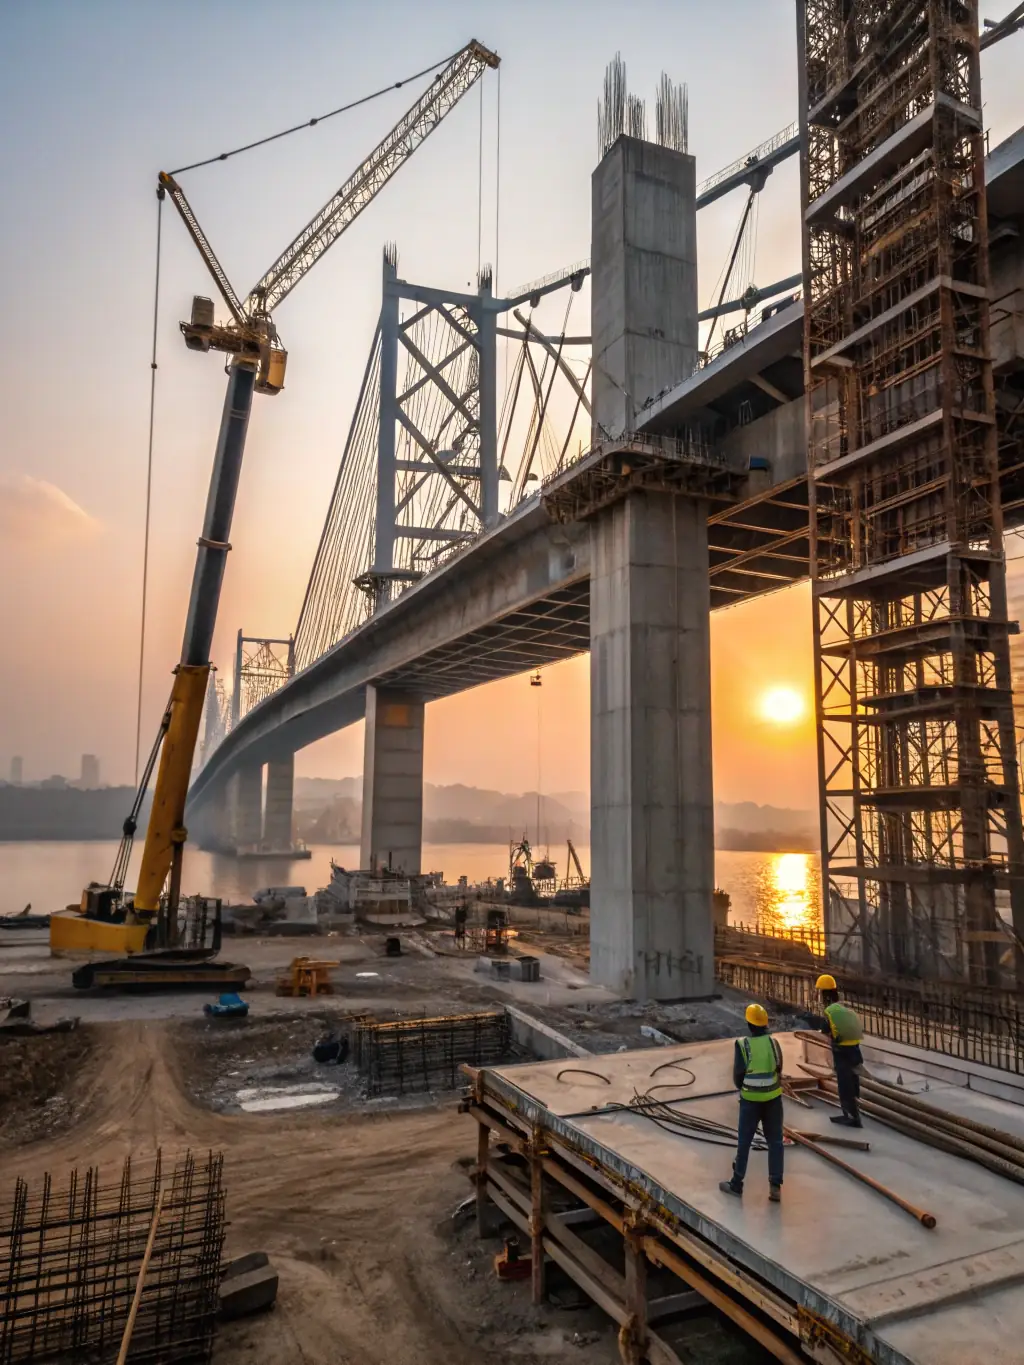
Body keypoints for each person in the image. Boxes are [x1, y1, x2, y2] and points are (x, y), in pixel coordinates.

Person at [719, 1003, 784, 1204]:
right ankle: (775, 1187)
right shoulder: (774, 1043)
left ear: (749, 1024)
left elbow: (738, 1074)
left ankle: (737, 1184)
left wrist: (746, 1088)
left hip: (751, 1101)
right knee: (775, 1141)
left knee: (744, 1142)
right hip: (773, 1098)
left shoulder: (743, 1045)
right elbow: (779, 1067)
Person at [812, 974, 864, 1128]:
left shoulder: (829, 1011)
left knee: (844, 1083)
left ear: (824, 994)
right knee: (853, 1081)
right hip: (855, 1048)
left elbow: (825, 1031)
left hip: (842, 1051)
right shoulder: (844, 1006)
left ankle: (851, 1117)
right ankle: (856, 1110)